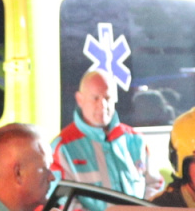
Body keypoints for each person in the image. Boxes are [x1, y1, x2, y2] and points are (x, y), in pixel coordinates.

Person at [50, 70, 148, 200]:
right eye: (95, 98)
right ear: (80, 99)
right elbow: (62, 202)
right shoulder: (62, 148)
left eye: (107, 98)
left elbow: (154, 185)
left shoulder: (136, 140)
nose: (103, 106)